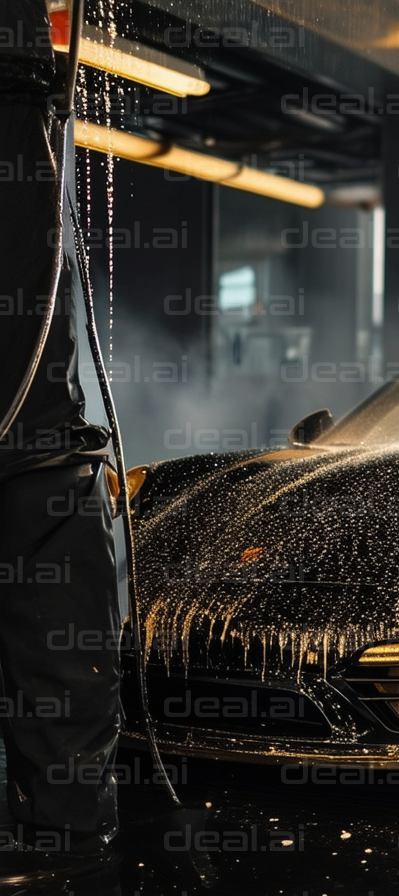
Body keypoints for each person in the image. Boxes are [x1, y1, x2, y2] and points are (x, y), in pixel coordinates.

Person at [1, 0, 121, 885]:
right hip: (39, 451)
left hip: (36, 451)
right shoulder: (33, 140)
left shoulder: (26, 136)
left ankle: (68, 835)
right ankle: (68, 833)